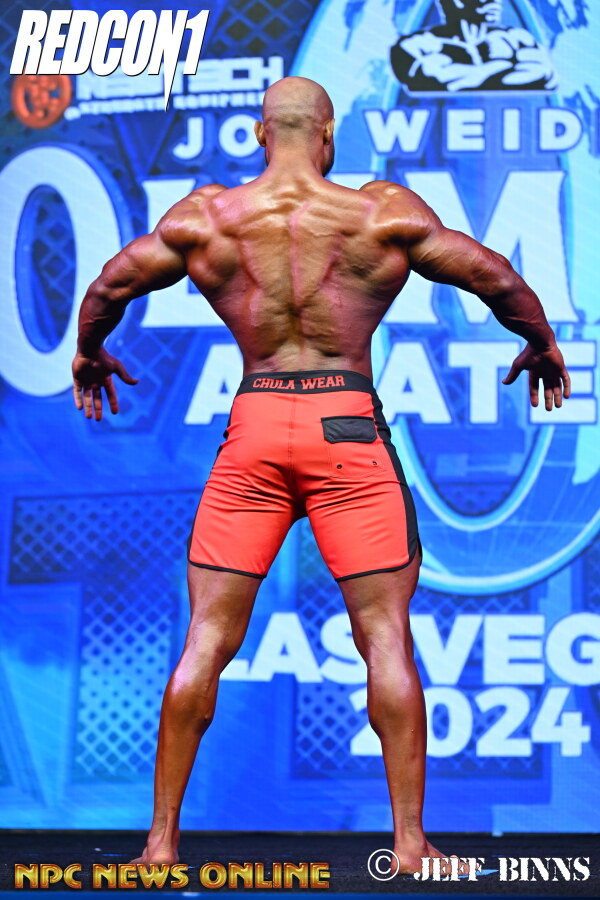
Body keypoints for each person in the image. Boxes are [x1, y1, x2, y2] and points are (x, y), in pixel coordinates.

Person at [71, 76, 570, 872]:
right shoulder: (379, 214)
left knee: (206, 639)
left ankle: (159, 844)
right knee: (384, 637)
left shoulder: (206, 218)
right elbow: (497, 278)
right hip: (346, 430)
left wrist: (90, 352)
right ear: (328, 135)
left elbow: (108, 287)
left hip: (257, 432)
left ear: (259, 134)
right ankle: (410, 844)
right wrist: (539, 343)